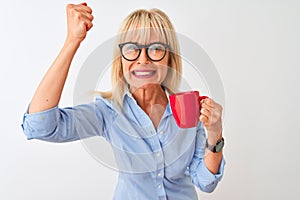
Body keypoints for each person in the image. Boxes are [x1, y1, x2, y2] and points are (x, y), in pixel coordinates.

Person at [21, 2, 225, 200]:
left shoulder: (188, 108)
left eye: (155, 49)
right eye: (132, 48)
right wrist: (72, 40)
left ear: (169, 58)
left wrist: (215, 135)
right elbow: (39, 126)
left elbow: (205, 182)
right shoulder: (108, 112)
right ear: (121, 59)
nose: (143, 60)